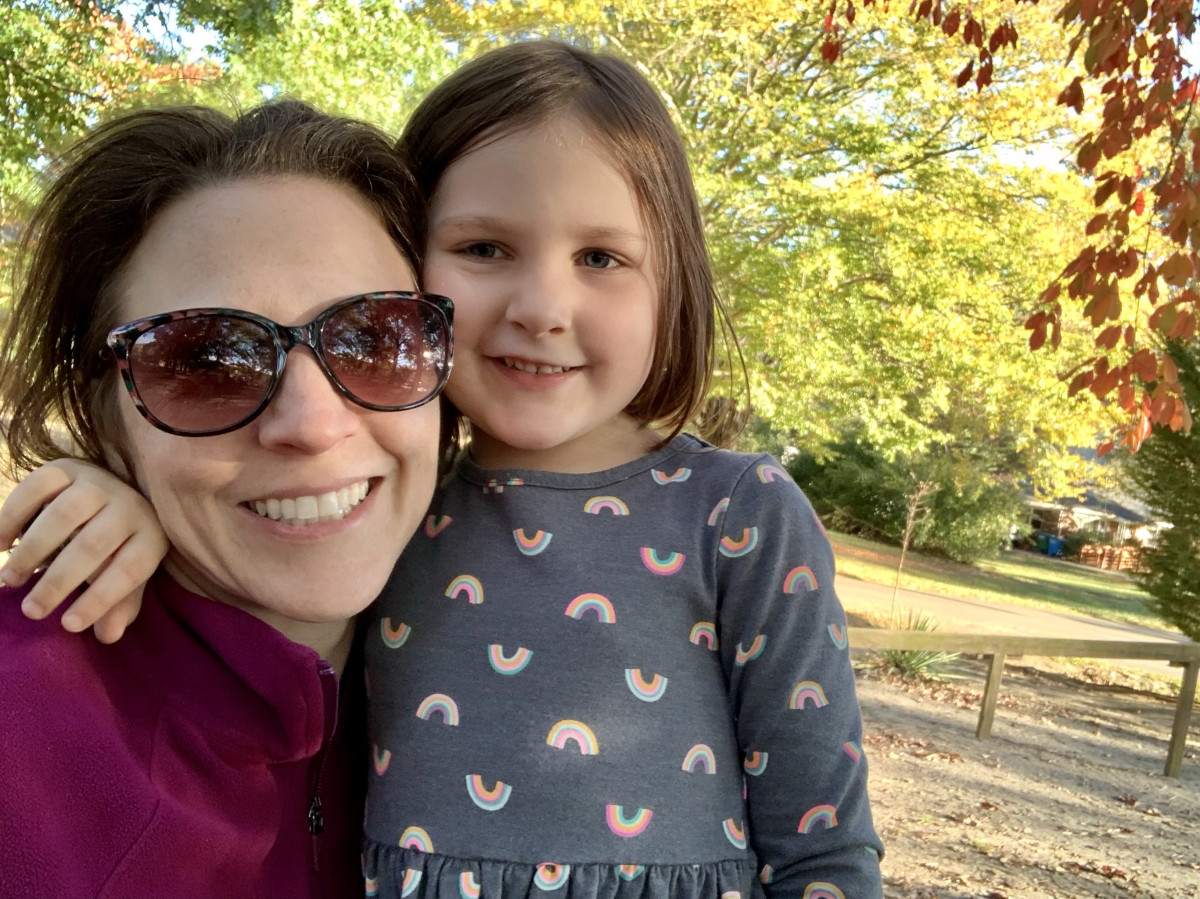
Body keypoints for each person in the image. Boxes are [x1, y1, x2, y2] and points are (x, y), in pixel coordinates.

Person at [1, 42, 884, 898]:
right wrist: (127, 493)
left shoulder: (732, 513)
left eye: (601, 258)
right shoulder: (410, 522)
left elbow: (824, 844)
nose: (542, 307)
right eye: (204, 361)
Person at [0, 99, 452, 897]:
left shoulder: (514, 653)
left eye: (376, 339)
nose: (312, 424)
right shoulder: (21, 724)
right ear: (105, 415)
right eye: (206, 362)